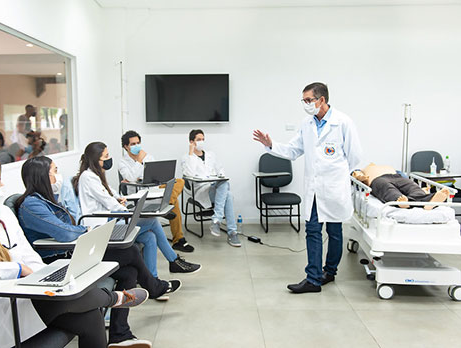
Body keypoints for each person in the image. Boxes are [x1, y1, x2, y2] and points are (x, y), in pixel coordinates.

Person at [0, 155, 149, 348]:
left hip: (21, 295)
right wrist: (17, 269)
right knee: (64, 300)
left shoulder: (3, 214)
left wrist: (42, 275)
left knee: (90, 316)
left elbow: (27, 253)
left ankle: (115, 304)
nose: (2, 185)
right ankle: (114, 298)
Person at [16, 157, 180, 346]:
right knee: (130, 253)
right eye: (54, 170)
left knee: (129, 271)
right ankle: (153, 288)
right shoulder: (31, 205)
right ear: (41, 176)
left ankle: (120, 334)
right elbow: (65, 232)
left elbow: (66, 230)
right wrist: (86, 231)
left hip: (75, 251)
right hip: (62, 259)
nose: (58, 175)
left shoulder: (47, 200)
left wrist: (85, 232)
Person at [253, 82, 362, 294]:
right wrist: (271, 144)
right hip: (314, 189)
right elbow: (294, 150)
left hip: (334, 188)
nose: (305, 104)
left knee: (335, 232)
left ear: (322, 100)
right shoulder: (307, 123)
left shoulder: (343, 123)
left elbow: (355, 157)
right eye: (303, 100)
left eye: (308, 100)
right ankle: (313, 278)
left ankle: (329, 272)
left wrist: (337, 177)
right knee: (312, 230)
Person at [72, 142, 201, 278]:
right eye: (106, 156)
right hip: (102, 228)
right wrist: (125, 209)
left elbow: (109, 192)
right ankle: (174, 261)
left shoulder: (95, 174)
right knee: (152, 221)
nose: (109, 158)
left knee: (150, 237)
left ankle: (153, 279)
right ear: (95, 159)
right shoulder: (88, 177)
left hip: (111, 220)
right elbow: (108, 202)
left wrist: (119, 198)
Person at [119, 130, 194, 253]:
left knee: (179, 181)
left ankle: (168, 201)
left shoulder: (148, 157)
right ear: (126, 147)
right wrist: (139, 161)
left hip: (154, 188)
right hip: (139, 196)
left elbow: (155, 174)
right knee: (174, 204)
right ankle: (178, 239)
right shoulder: (122, 162)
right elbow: (131, 178)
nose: (136, 146)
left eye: (138, 143)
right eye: (133, 144)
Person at [181, 129, 241, 248]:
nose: (201, 142)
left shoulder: (211, 155)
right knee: (228, 195)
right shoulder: (186, 157)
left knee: (225, 186)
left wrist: (219, 176)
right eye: (198, 140)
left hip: (215, 188)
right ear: (191, 142)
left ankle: (217, 221)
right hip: (201, 191)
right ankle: (231, 232)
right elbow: (189, 173)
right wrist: (191, 152)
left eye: (203, 139)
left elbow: (221, 170)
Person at [353, 163, 450, 209]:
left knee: (413, 187)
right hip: (378, 179)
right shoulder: (363, 169)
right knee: (389, 190)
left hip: (397, 176)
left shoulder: (388, 166)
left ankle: (428, 202)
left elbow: (404, 175)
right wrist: (361, 177)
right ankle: (403, 202)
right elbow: (360, 179)